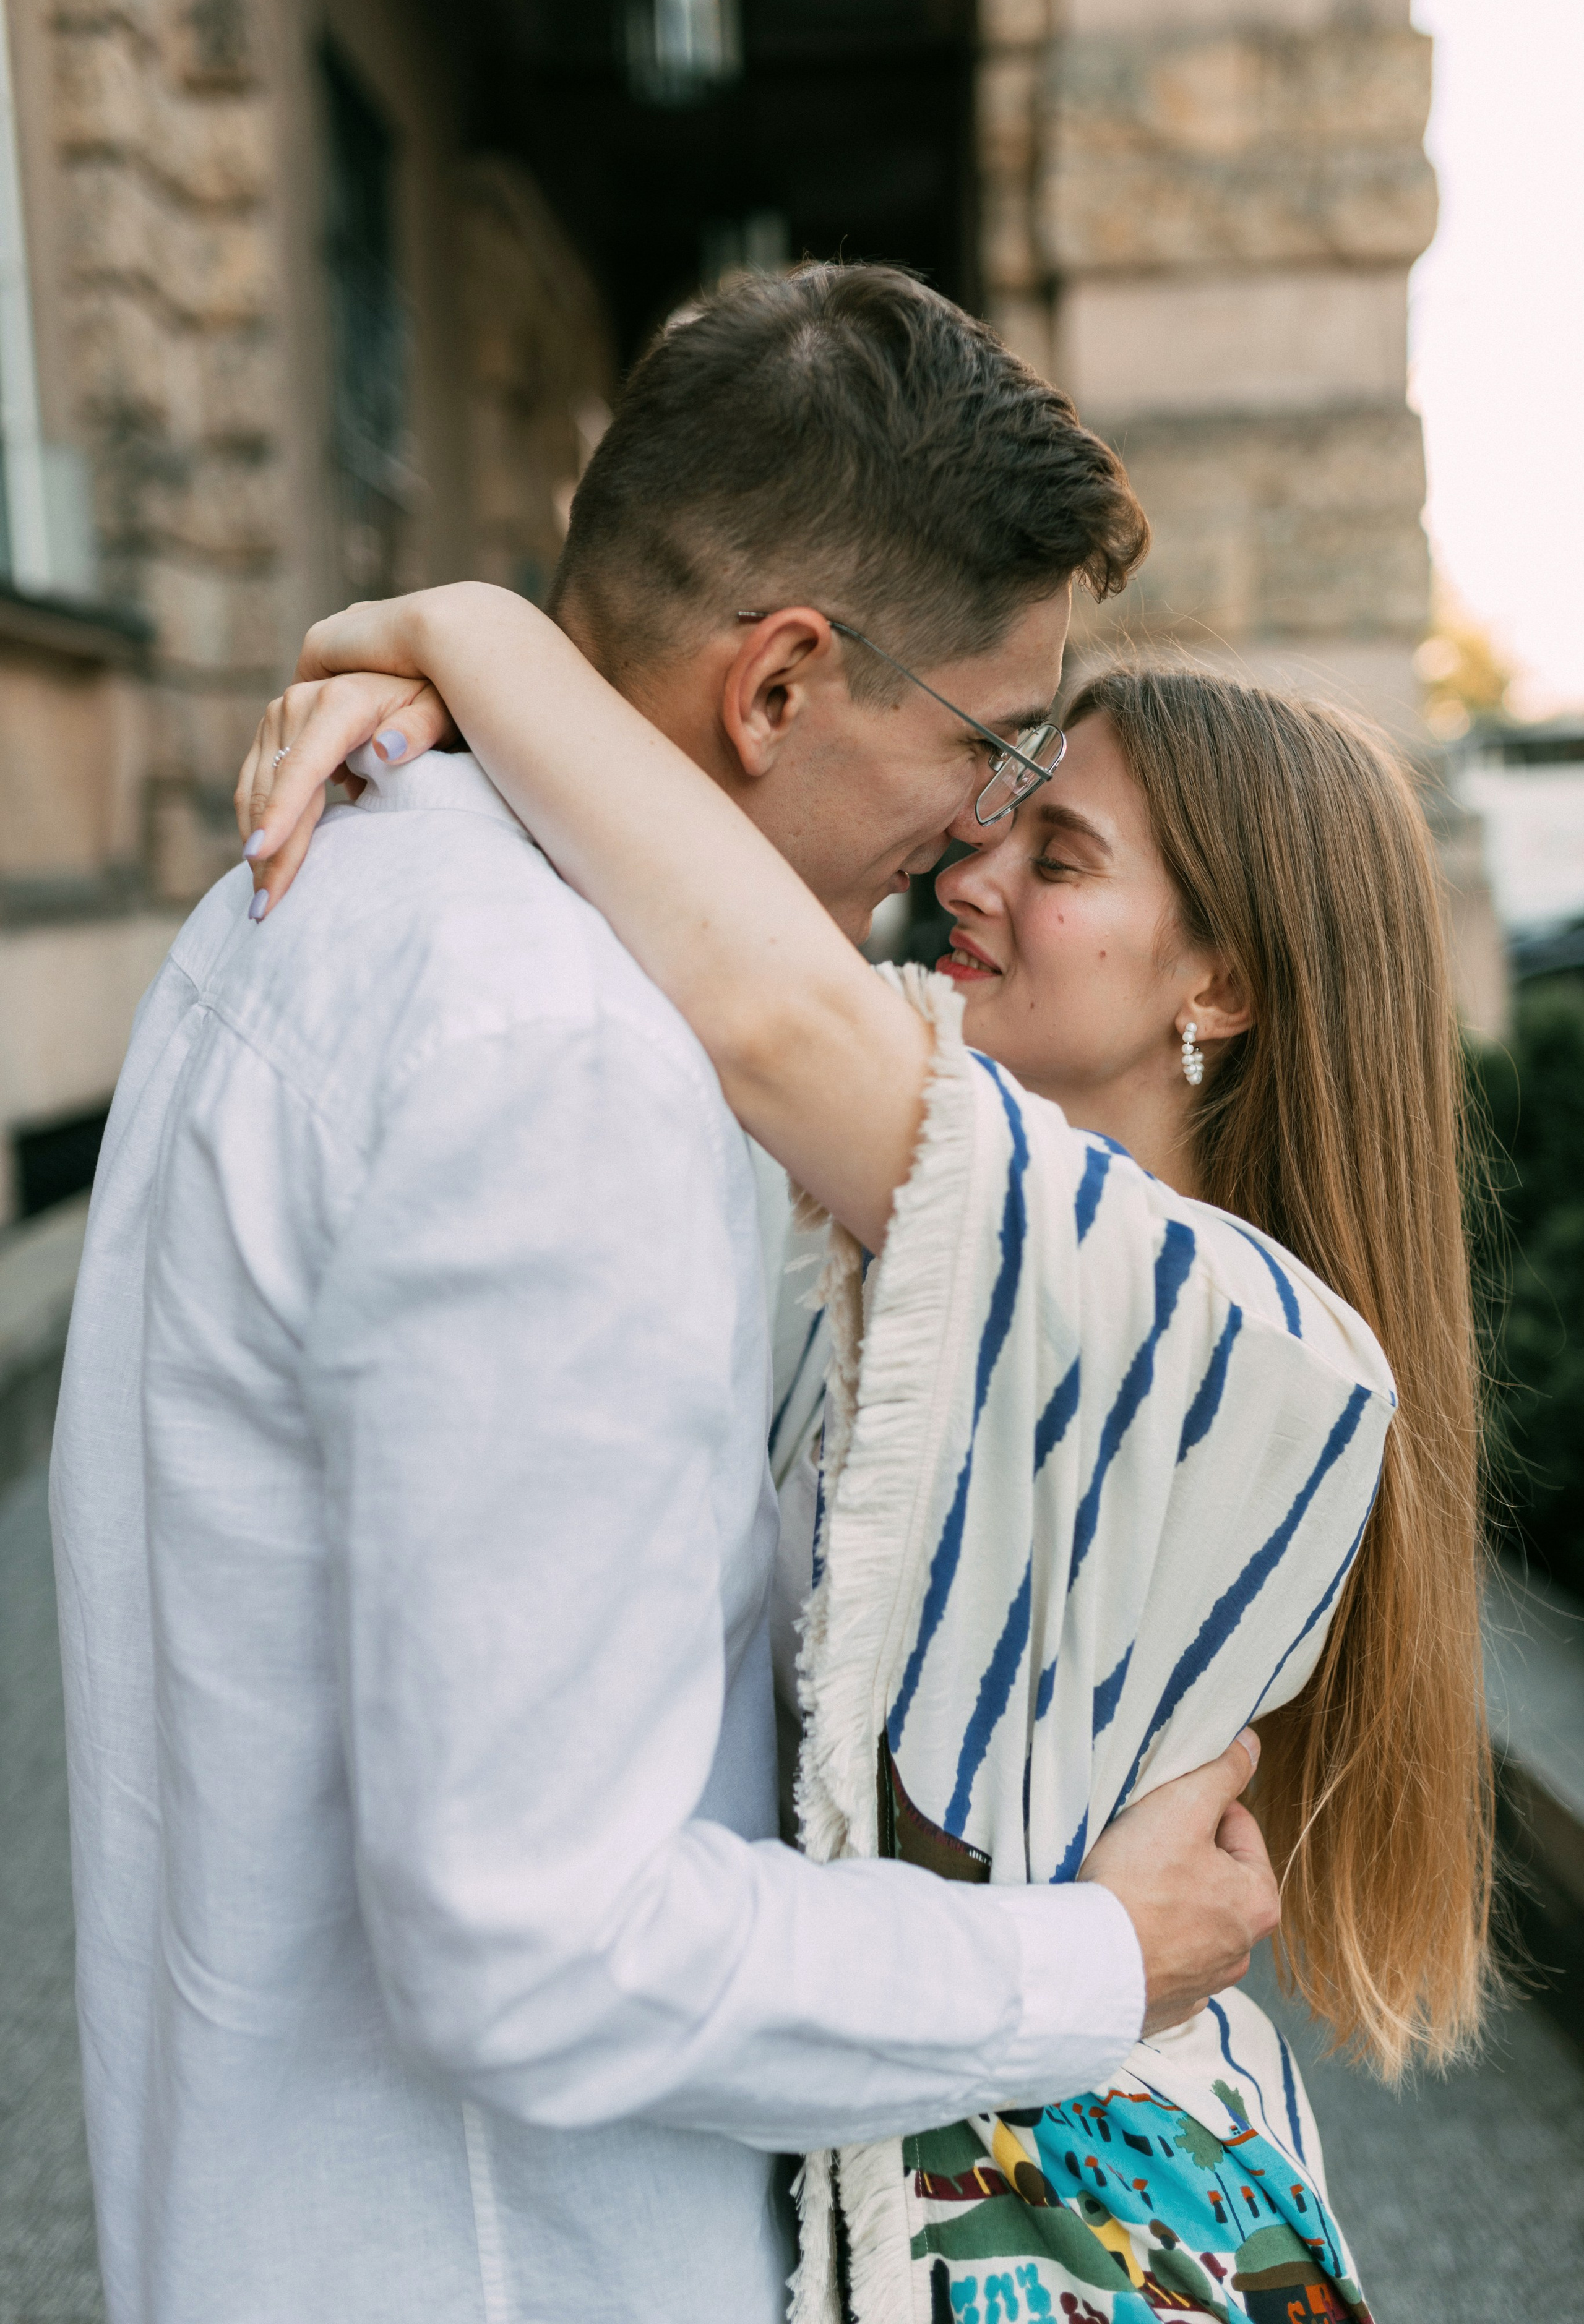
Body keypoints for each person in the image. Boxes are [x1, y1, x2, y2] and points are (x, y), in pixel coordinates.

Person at [50, 265, 1280, 2324]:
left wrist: (460, 655)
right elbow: (543, 1938)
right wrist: (1091, 1962)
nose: (972, 830)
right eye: (984, 747)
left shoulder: (329, 882)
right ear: (780, 685)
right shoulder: (569, 1060)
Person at [239, 581, 1493, 2324]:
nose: (969, 875)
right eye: (1001, 817)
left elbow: (765, 1007)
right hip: (933, 2170)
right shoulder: (948, 1255)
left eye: (1058, 860)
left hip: (1080, 2240)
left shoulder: (1240, 1331)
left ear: (1223, 978)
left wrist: (461, 635)